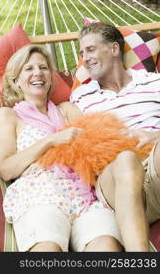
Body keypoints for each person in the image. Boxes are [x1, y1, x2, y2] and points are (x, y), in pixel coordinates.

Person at [0, 44, 123, 252]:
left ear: (51, 78)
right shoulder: (9, 116)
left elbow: (93, 149)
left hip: (84, 194)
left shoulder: (68, 110)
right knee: (48, 249)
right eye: (29, 68)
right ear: (15, 80)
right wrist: (52, 141)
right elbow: (7, 168)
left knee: (107, 245)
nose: (38, 73)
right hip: (40, 194)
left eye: (44, 68)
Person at [70, 22, 160, 251]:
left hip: (156, 168)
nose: (85, 58)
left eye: (90, 49)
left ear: (114, 49)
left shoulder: (154, 82)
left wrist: (154, 136)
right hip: (116, 183)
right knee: (127, 160)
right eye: (82, 53)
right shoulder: (81, 97)